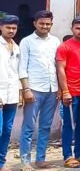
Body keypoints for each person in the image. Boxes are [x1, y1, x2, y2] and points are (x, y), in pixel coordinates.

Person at [19, 10, 60, 169]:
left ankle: (40, 159)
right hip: (34, 89)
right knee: (28, 126)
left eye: (48, 24)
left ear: (52, 24)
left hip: (52, 89)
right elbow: (22, 67)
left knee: (45, 126)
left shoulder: (55, 41)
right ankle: (25, 161)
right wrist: (26, 89)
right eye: (42, 23)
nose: (45, 26)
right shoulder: (26, 42)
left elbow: (57, 66)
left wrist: (59, 88)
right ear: (35, 23)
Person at [56, 17, 80, 168]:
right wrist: (65, 91)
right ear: (72, 29)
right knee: (69, 125)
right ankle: (67, 156)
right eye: (78, 28)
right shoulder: (64, 47)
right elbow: (60, 70)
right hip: (71, 92)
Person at [0, 15, 21, 171]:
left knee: (7, 130)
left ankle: (1, 162)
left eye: (14, 28)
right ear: (1, 27)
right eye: (8, 27)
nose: (11, 30)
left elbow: (17, 72)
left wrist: (20, 92)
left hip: (12, 94)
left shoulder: (16, 47)